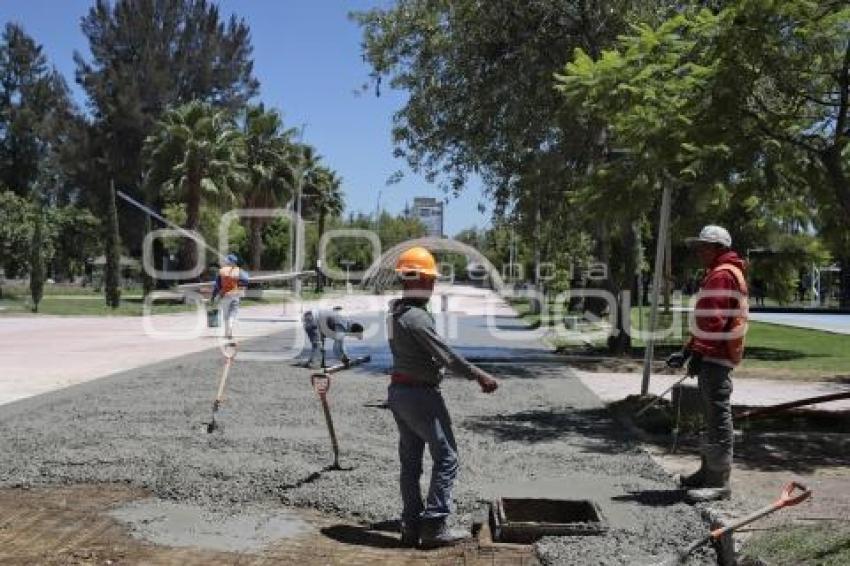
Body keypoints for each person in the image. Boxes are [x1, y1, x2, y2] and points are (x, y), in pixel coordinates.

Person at [386, 246, 499, 548]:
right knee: (447, 457)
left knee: (410, 462)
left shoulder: (396, 312)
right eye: (431, 279)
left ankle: (411, 525)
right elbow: (447, 357)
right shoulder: (417, 319)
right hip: (420, 396)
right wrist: (479, 375)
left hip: (399, 393)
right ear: (419, 278)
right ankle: (434, 525)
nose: (434, 285)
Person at [666, 225, 748, 503]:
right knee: (709, 417)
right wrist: (688, 351)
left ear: (719, 248)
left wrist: (699, 353)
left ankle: (719, 481)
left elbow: (715, 319)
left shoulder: (723, 274)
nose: (699, 251)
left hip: (717, 356)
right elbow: (707, 322)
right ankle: (707, 472)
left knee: (718, 418)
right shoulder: (719, 272)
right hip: (712, 353)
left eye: (705, 246)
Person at [210, 253, 249, 341]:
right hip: (235, 294)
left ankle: (226, 333)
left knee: (225, 315)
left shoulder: (222, 271)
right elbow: (246, 279)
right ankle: (231, 328)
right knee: (233, 313)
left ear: (227, 262)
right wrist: (240, 287)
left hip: (225, 295)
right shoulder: (239, 271)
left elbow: (217, 286)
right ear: (235, 262)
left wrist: (213, 296)